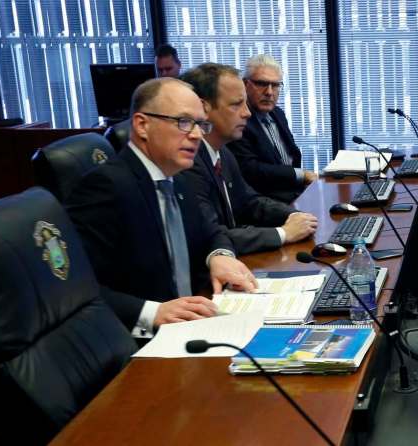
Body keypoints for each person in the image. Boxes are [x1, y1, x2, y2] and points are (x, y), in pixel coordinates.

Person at [66, 78, 257, 336]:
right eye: (184, 122)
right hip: (145, 342)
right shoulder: (105, 188)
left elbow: (211, 230)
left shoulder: (176, 177)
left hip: (196, 321)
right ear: (142, 125)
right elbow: (76, 289)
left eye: (201, 124)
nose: (198, 134)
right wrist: (151, 312)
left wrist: (219, 255)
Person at [177, 63, 319, 255]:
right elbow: (210, 236)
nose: (247, 113)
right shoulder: (186, 162)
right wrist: (283, 233)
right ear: (203, 108)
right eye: (237, 104)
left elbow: (250, 202)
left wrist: (296, 216)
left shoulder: (223, 153)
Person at [228, 54, 318, 203]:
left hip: (294, 194)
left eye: (275, 85)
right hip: (266, 203)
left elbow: (290, 157)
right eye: (262, 84)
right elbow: (251, 170)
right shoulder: (239, 121)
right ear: (245, 84)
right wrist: (300, 174)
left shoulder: (278, 114)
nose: (269, 92)